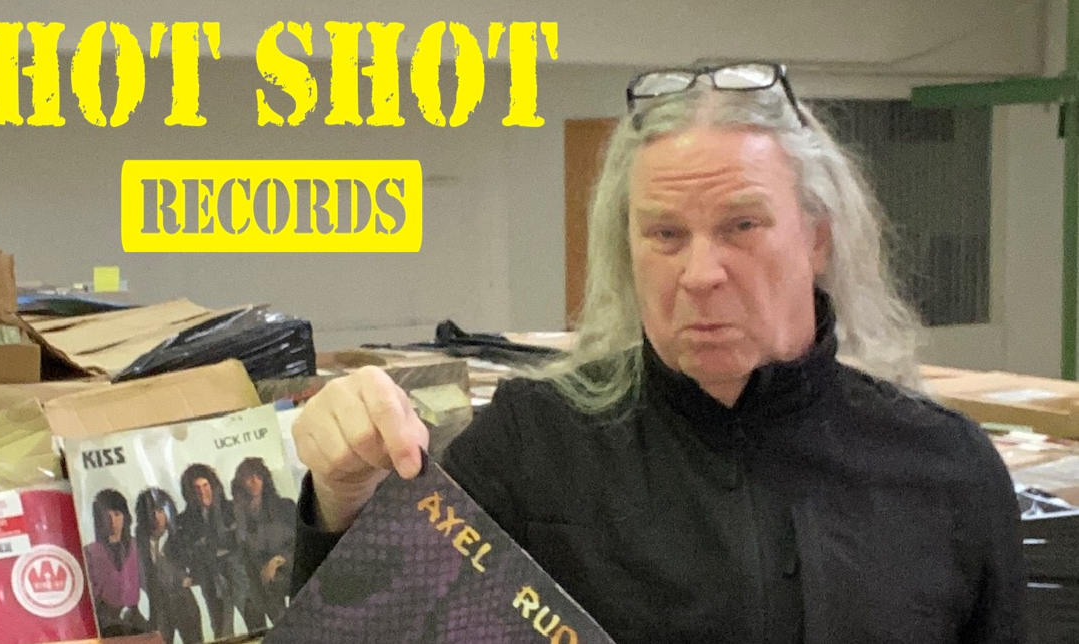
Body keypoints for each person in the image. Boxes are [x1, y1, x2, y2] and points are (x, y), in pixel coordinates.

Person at [289, 61, 1026, 643]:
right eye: (666, 234)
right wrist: (342, 499)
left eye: (741, 225)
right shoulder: (531, 445)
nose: (700, 274)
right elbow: (365, 628)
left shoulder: (945, 470)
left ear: (817, 240)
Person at [175, 464, 246, 640]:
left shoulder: (232, 509)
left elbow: (241, 542)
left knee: (254, 620)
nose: (202, 492)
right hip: (210, 580)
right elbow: (179, 552)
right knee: (221, 629)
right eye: (196, 488)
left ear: (213, 486)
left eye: (205, 486)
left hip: (240, 577)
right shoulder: (183, 521)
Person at [229, 457, 297, 630]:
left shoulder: (285, 507)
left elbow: (302, 542)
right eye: (249, 477)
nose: (254, 482)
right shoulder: (237, 515)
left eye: (259, 476)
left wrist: (277, 560)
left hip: (291, 572)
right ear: (241, 482)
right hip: (259, 583)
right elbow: (241, 552)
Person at [135, 487, 204, 644]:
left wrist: (190, 577)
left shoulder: (179, 537)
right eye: (151, 512)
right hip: (158, 609)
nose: (156, 516)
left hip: (184, 604)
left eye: (160, 510)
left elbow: (200, 564)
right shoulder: (138, 543)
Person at [85, 489, 149, 637]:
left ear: (125, 516)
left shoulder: (137, 546)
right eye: (106, 516)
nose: (112, 521)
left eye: (117, 514)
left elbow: (149, 583)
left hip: (135, 617)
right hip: (106, 622)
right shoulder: (90, 552)